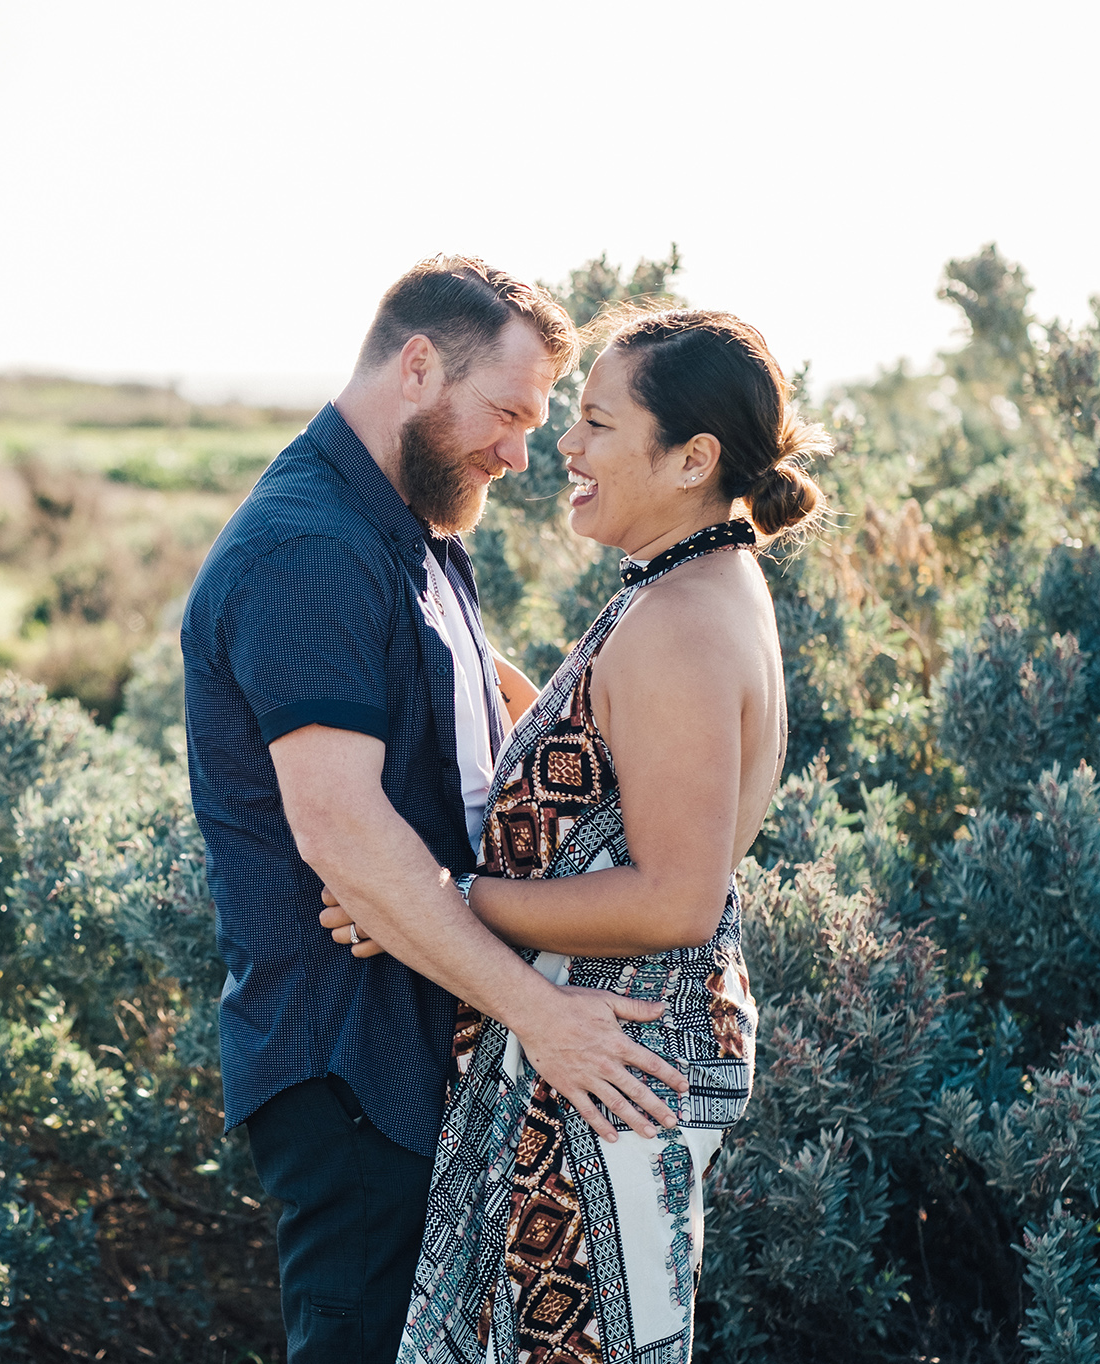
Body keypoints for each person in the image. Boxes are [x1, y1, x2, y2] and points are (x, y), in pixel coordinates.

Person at [180, 257, 692, 1364]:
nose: (520, 451)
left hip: (430, 1049)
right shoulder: (305, 548)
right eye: (506, 412)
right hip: (352, 1069)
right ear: (417, 366)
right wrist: (545, 1018)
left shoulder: (411, 528)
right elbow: (341, 836)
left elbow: (486, 708)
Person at [322, 308, 831, 1362]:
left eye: (596, 423)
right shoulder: (682, 586)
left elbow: (671, 896)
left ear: (691, 458)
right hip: (603, 1056)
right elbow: (583, 757)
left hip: (606, 1067)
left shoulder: (681, 622)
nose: (565, 446)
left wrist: (436, 901)